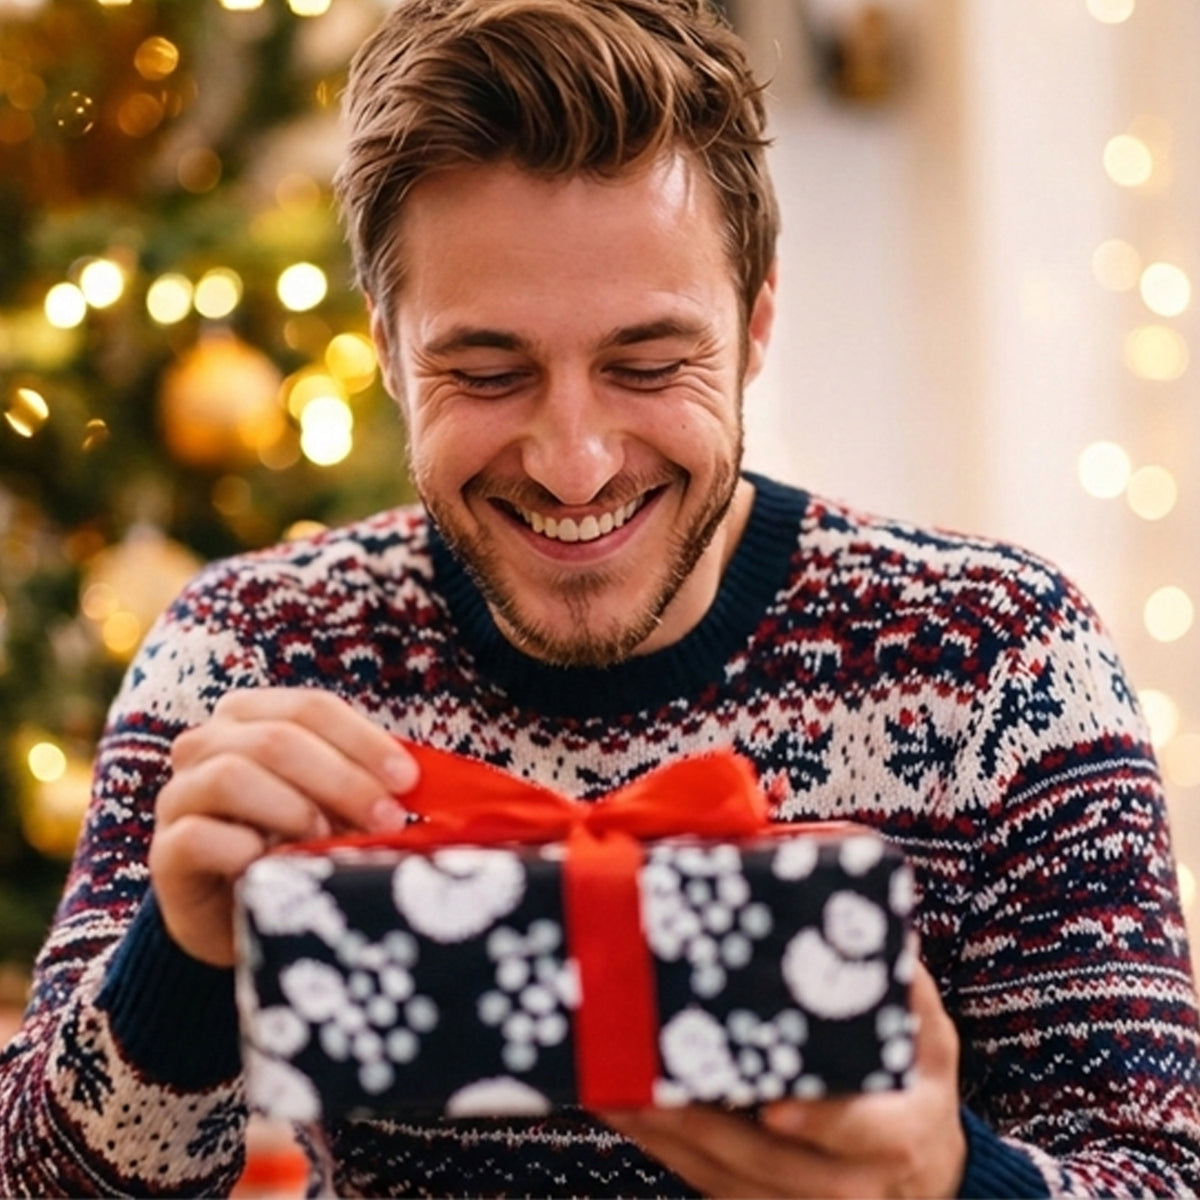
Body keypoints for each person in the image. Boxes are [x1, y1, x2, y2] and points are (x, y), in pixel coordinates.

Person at [1, 0, 1198, 1194]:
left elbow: (1157, 1176)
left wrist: (944, 1181)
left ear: (757, 323)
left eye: (647, 364)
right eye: (486, 370)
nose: (574, 462)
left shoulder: (995, 656)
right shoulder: (252, 654)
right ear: (385, 347)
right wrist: (181, 957)